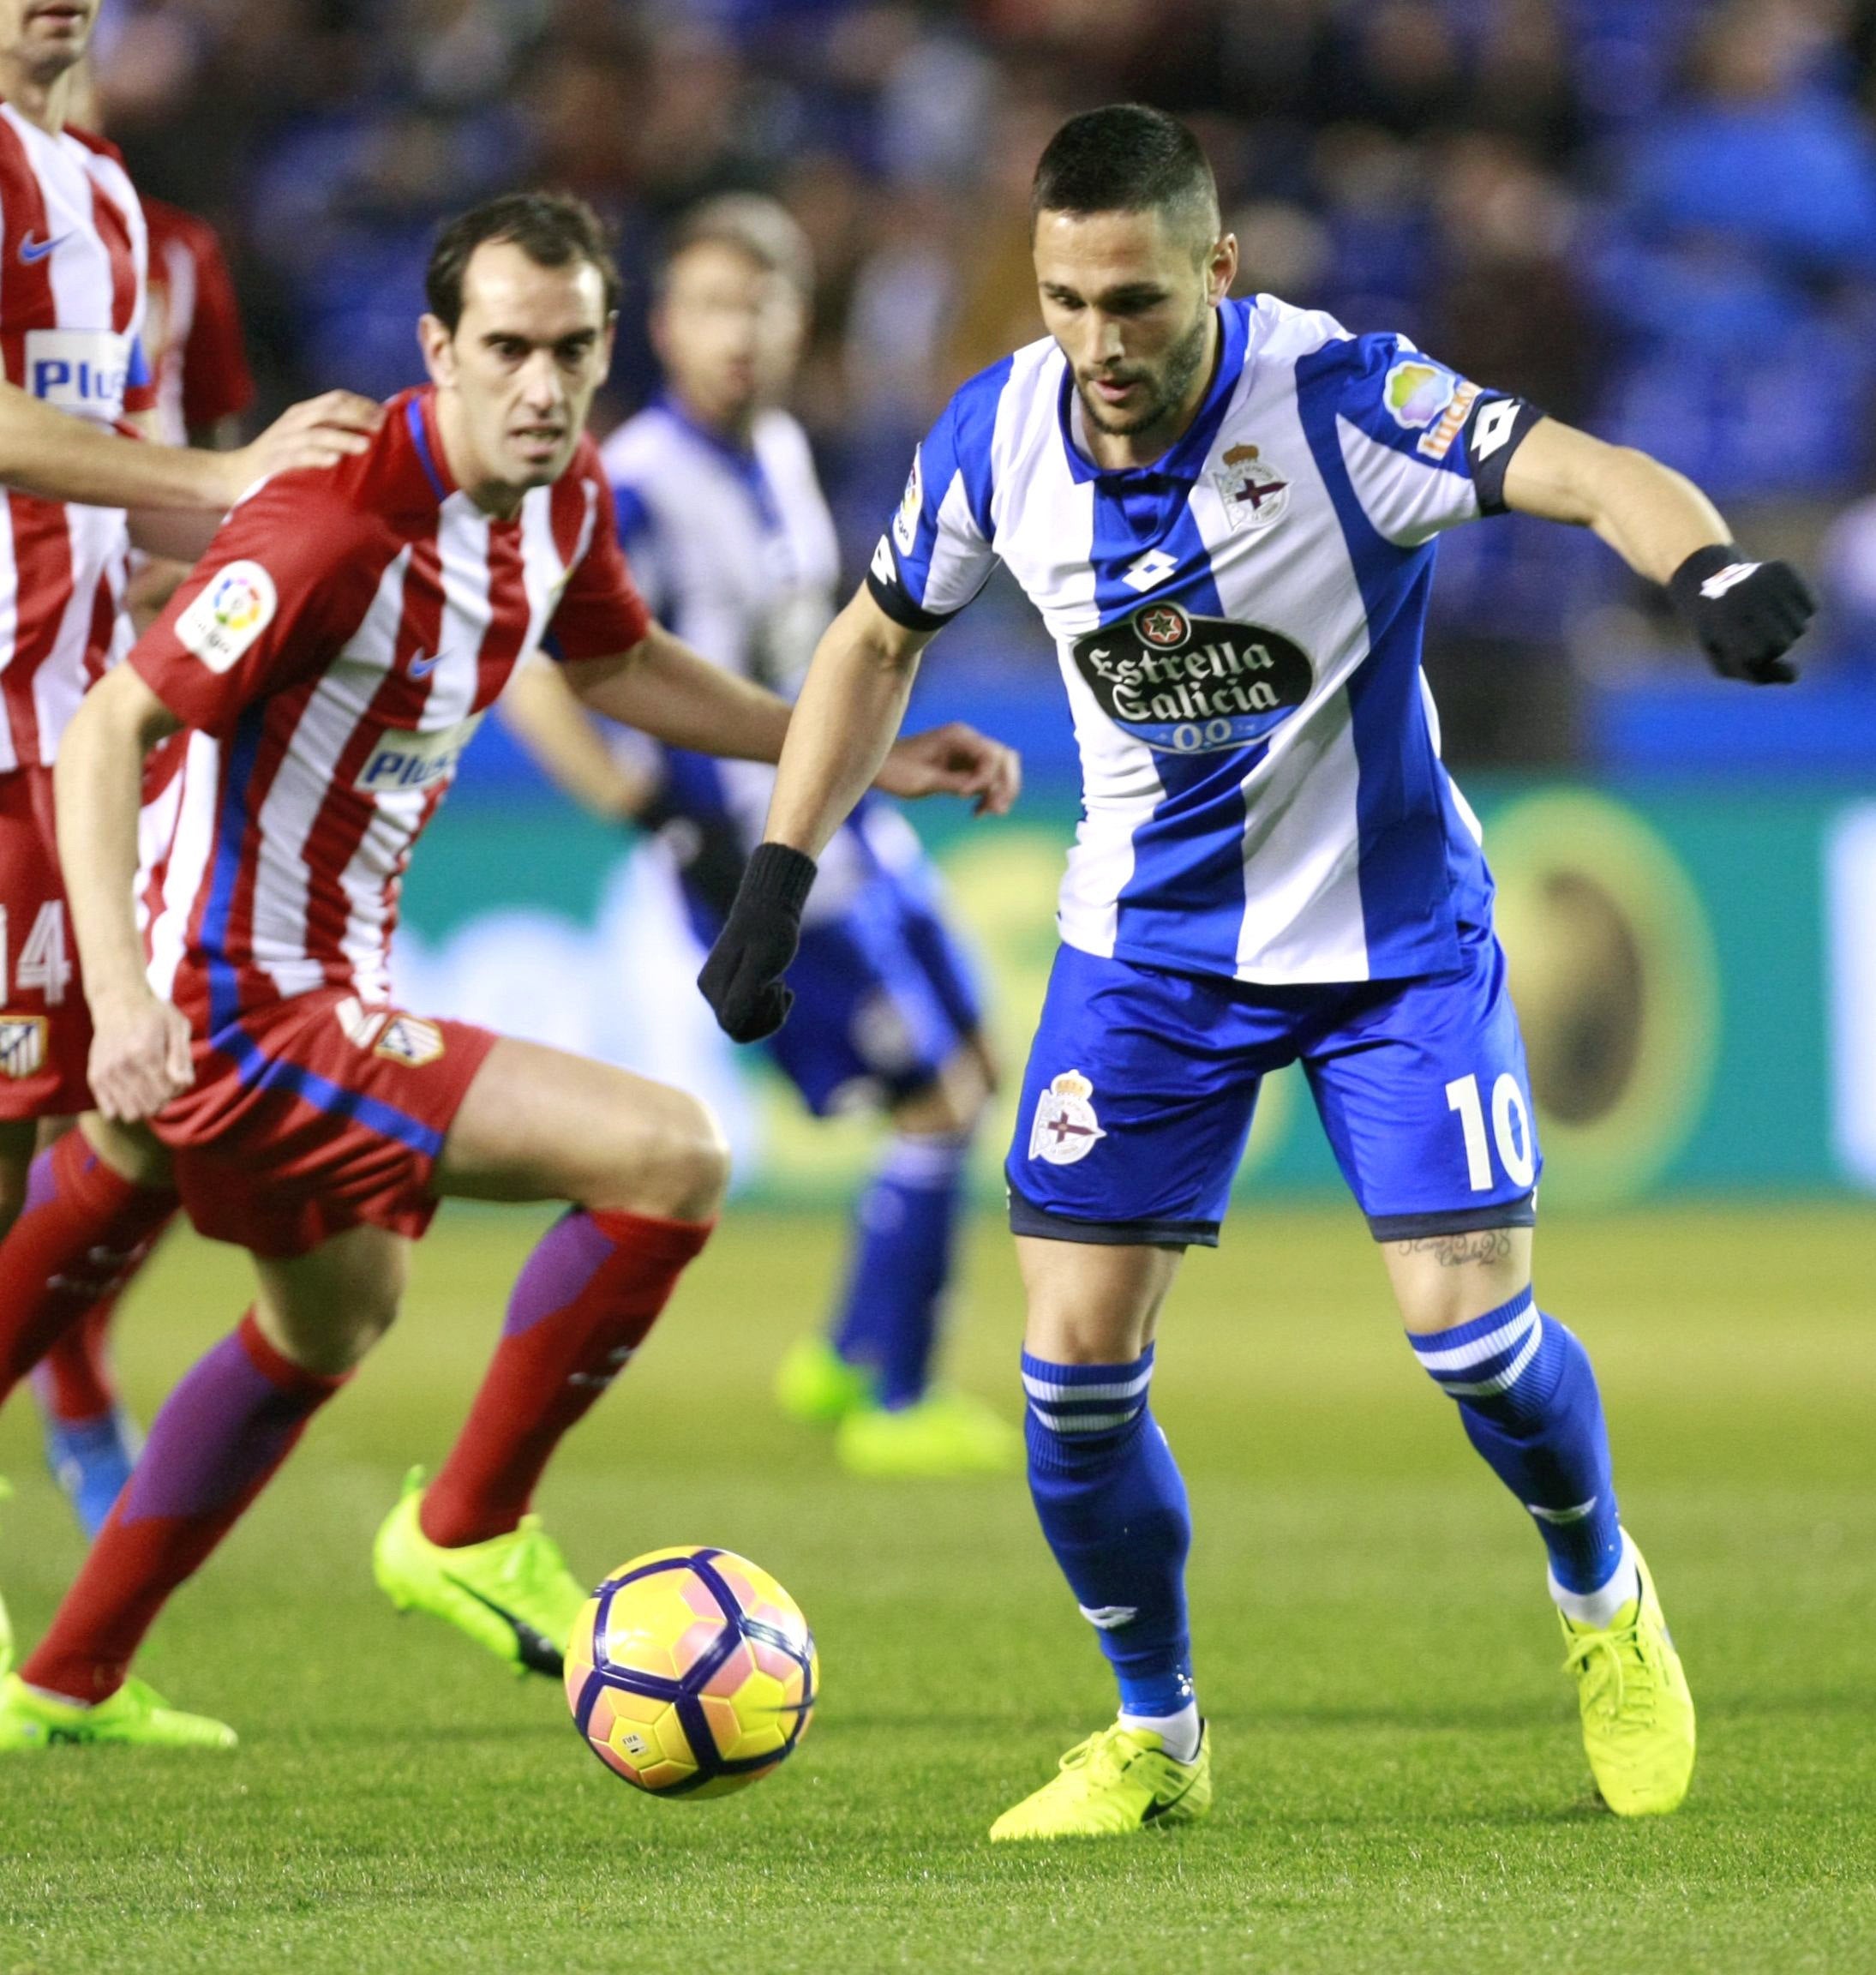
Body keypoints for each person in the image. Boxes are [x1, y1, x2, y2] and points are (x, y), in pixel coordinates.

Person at [699, 105, 1815, 1839]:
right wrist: (781, 870)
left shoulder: (1346, 401)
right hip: (1146, 957)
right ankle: (1158, 1736)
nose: (1098, 346)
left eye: (1134, 302)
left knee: (1477, 1346)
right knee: (1069, 1382)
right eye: (1066, 301)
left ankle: (1604, 1600)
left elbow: (1590, 472)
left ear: (1217, 267)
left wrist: (1709, 564)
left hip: (1388, 949)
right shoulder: (998, 432)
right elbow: (872, 636)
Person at [0, 189, 1016, 1750]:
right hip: (241, 998)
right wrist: (126, 999)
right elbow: (110, 732)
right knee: (668, 1154)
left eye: (572, 351)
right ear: (438, 349)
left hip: (328, 981)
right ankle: (467, 1534)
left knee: (330, 1317)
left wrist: (855, 756)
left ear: (610, 349)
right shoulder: (331, 518)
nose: (541, 386)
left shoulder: (562, 498)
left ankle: (62, 1686)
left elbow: (618, 665)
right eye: (506, 350)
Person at [500, 194, 1014, 1478]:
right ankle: (887, 1397)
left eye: (762, 308)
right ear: (662, 328)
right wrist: (644, 808)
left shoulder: (784, 449)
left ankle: (848, 1359)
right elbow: (535, 664)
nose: (738, 335)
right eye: (713, 307)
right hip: (759, 846)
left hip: (850, 827)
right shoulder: (635, 483)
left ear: (796, 326)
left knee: (975, 1071)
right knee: (936, 1101)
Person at [0, 0, 377, 1670]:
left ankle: (79, 1548)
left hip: (72, 732)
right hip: (4, 734)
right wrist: (221, 471)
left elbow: (123, 490)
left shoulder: (101, 191)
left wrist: (304, 515)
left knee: (141, 1104)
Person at [23, 71, 263, 1534]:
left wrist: (252, 529)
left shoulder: (137, 224)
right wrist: (216, 479)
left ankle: (73, 1376)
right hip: (26, 709)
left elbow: (165, 471)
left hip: (96, 699)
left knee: (140, 1093)